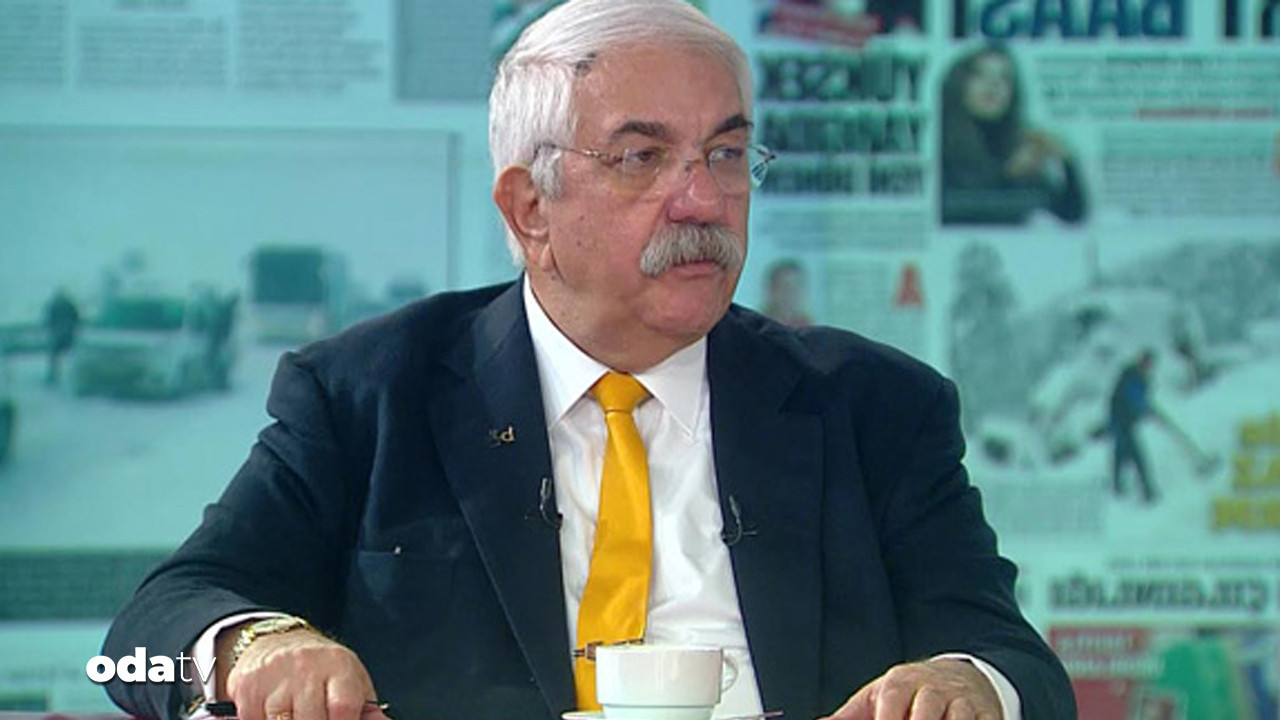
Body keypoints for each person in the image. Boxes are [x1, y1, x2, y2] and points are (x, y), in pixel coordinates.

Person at [103, 2, 1075, 720]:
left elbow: (1013, 662)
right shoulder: (369, 393)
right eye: (642, 159)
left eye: (726, 155)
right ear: (529, 208)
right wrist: (255, 645)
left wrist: (966, 684)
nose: (703, 200)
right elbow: (145, 635)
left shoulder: (875, 407)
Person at [940, 43, 1086, 226]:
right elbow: (948, 208)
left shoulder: (1017, 144)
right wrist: (1006, 177)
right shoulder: (937, 142)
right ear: (959, 84)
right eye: (980, 74)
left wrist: (1067, 161)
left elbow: (1071, 213)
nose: (993, 85)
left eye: (1004, 78)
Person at [1108, 350, 1157, 503]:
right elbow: (1134, 399)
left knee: (1122, 454)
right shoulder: (1132, 376)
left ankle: (1117, 486)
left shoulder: (1138, 378)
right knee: (1136, 456)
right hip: (1121, 422)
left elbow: (1138, 400)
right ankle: (1147, 491)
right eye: (1146, 364)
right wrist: (1144, 409)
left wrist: (1144, 408)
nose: (1148, 367)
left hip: (1124, 422)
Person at [44, 287, 81, 387]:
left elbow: (48, 321)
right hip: (69, 336)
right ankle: (74, 376)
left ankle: (53, 377)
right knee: (74, 356)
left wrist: (52, 330)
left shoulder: (54, 306)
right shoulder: (70, 305)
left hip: (58, 336)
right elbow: (77, 318)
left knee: (54, 357)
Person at [760, 259, 812, 328]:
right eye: (786, 286)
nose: (792, 293)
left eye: (796, 287)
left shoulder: (807, 325)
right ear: (772, 289)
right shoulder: (758, 323)